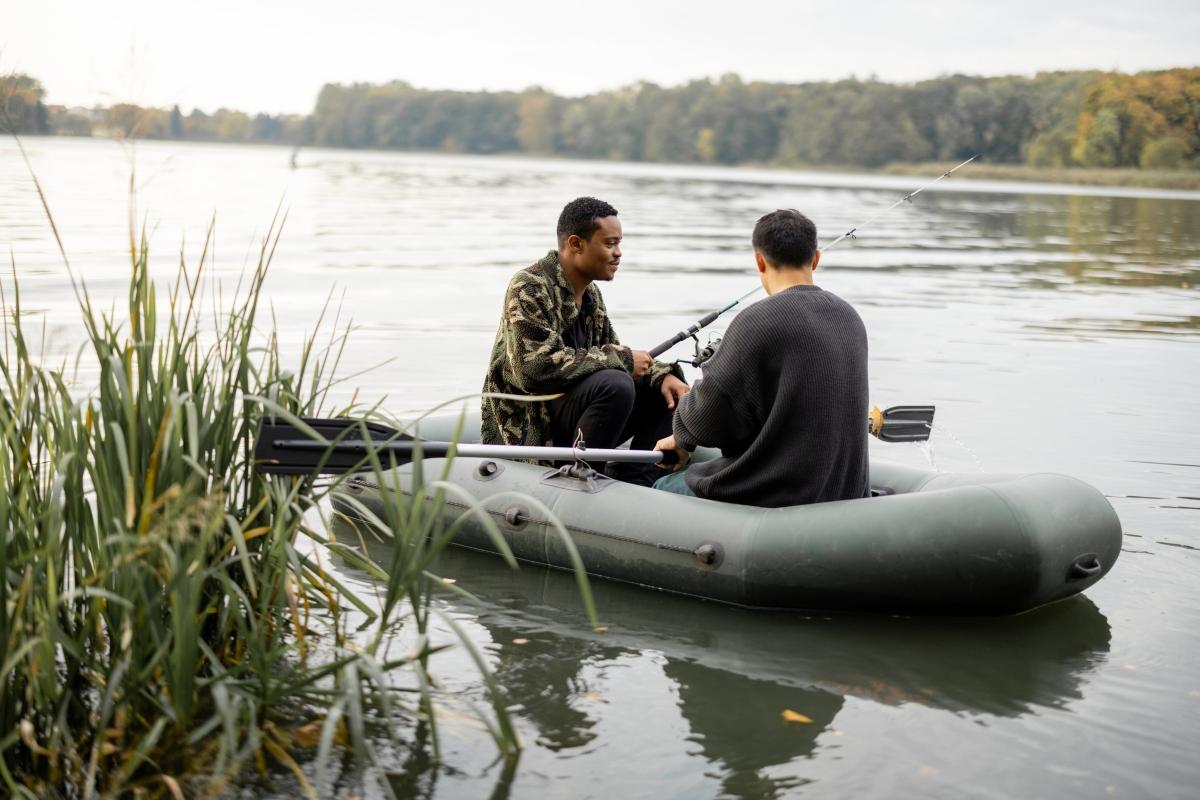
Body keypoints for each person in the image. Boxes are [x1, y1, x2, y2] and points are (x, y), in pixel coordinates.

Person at [653, 209, 869, 507]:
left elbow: (709, 420)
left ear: (759, 260)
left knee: (662, 486)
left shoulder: (756, 321)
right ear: (816, 258)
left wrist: (681, 435)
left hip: (777, 497)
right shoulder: (849, 317)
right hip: (842, 496)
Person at [482, 196, 688, 485]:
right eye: (609, 244)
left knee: (667, 392)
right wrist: (624, 359)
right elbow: (534, 370)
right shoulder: (529, 285)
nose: (618, 253)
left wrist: (660, 376)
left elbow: (608, 349)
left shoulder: (590, 296)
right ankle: (580, 477)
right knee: (616, 384)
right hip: (533, 424)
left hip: (574, 411)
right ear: (576, 244)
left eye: (619, 244)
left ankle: (637, 480)